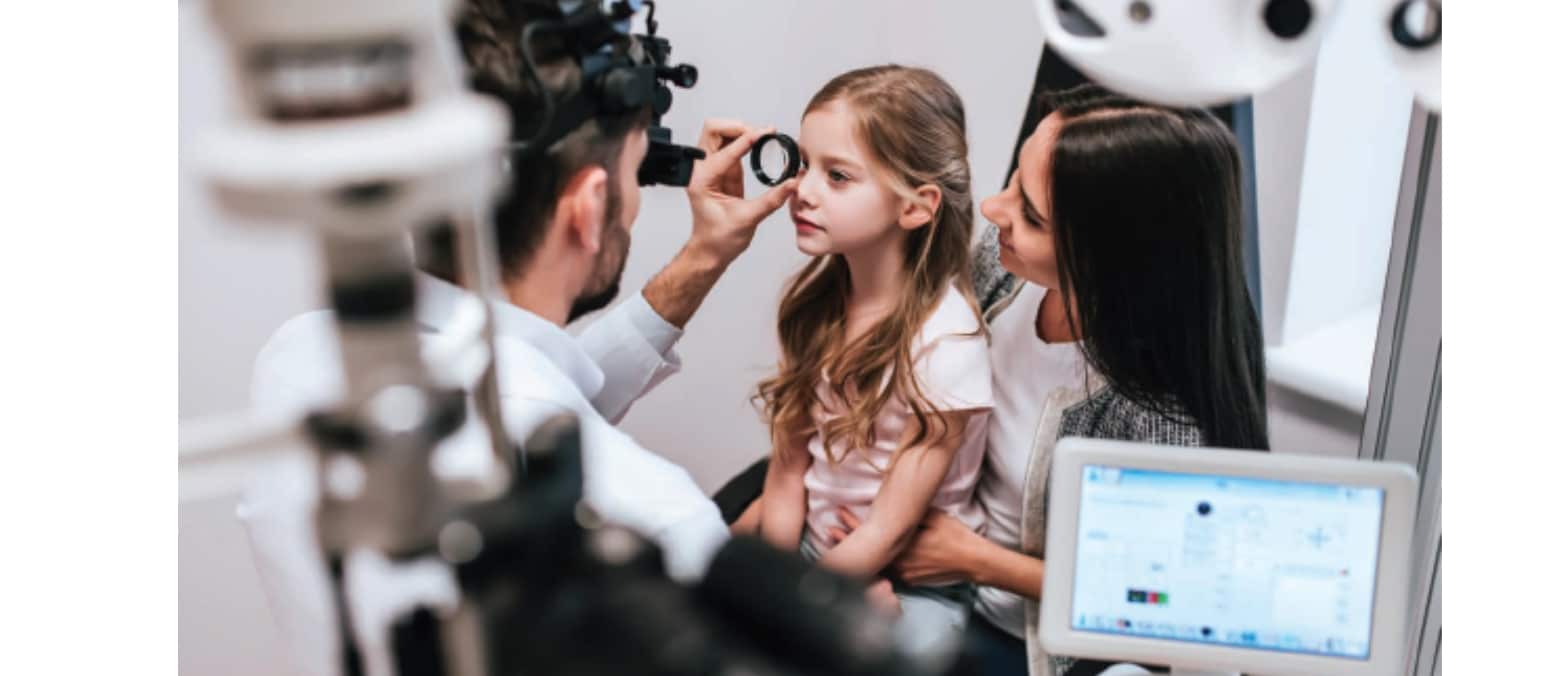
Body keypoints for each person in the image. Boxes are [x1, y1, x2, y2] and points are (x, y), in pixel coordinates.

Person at [237, 1, 798, 674]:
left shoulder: (300, 363)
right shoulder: (659, 524)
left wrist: (702, 258)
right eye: (636, 172)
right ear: (589, 209)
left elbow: (523, 391)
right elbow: (533, 406)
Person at [734, 84, 1270, 676]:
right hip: (897, 537)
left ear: (1114, 258)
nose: (993, 210)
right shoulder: (1005, 270)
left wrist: (977, 560)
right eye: (1015, 181)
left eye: (1030, 214)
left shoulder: (1159, 419)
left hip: (1014, 632)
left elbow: (1163, 604)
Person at [746, 65, 992, 639]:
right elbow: (786, 471)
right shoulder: (817, 303)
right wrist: (784, 580)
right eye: (805, 164)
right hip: (815, 547)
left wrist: (801, 599)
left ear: (915, 206)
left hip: (912, 577)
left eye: (838, 177)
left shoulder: (947, 343)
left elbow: (889, 529)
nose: (801, 190)